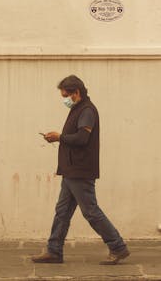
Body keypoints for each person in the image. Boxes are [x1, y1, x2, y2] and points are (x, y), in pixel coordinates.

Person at [31, 75, 130, 265]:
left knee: (91, 211)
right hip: (71, 170)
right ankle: (54, 251)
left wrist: (59, 137)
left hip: (80, 170)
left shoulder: (87, 111)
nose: (65, 99)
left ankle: (117, 247)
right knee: (62, 211)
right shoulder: (78, 109)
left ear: (76, 92)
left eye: (66, 95)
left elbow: (82, 139)